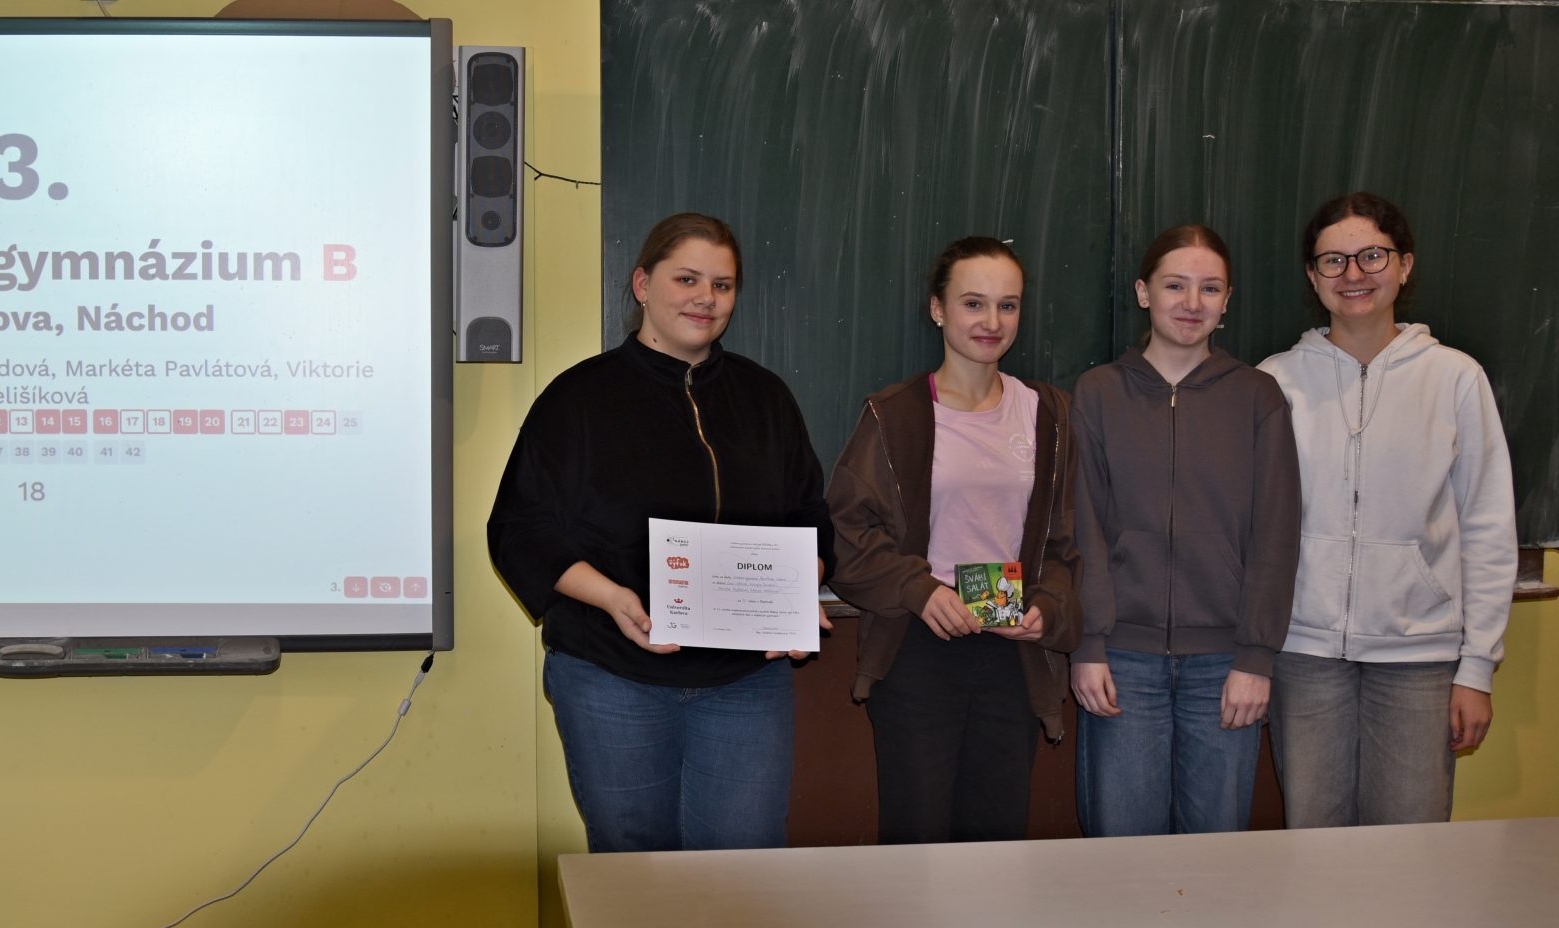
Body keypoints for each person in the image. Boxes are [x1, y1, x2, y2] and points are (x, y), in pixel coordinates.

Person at [486, 212, 835, 852]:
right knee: (634, 869)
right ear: (643, 285)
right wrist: (613, 599)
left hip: (745, 684)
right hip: (611, 677)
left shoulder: (766, 399)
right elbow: (520, 528)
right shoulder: (578, 398)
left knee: (744, 872)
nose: (706, 298)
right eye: (687, 279)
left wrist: (793, 597)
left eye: (723, 285)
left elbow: (810, 517)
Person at [1257, 192, 1516, 827]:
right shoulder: (1275, 382)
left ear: (1404, 264)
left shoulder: (1456, 378)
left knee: (1411, 848)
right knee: (1313, 842)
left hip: (1419, 659)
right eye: (1333, 260)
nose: (1354, 274)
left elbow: (1487, 526)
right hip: (1305, 655)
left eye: (1372, 255)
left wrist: (1477, 668)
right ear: (1312, 276)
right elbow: (1251, 528)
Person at [827, 236, 1080, 844]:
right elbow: (847, 532)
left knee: (997, 840)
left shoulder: (1048, 413)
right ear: (938, 309)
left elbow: (1066, 541)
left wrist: (1048, 607)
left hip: (1012, 651)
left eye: (1007, 305)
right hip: (919, 647)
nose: (992, 321)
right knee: (916, 840)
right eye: (973, 303)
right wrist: (919, 590)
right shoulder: (894, 415)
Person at [1068, 224, 1301, 836]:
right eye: (1175, 285)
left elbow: (1276, 534)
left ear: (1228, 301)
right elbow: (1083, 527)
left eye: (1210, 288)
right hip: (1121, 662)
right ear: (1144, 292)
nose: (1192, 303)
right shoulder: (1097, 393)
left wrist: (1256, 657)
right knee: (1122, 850)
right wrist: (1088, 645)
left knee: (1214, 856)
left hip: (1226, 667)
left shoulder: (1258, 397)